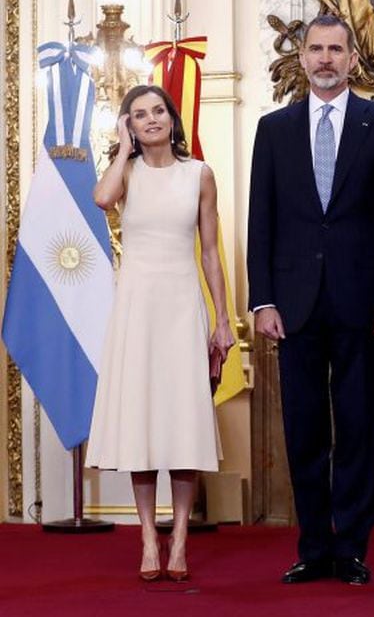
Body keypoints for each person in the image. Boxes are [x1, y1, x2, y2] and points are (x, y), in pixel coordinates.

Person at [247, 14, 374, 585]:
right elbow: (260, 223)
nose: (324, 59)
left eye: (335, 49)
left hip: (363, 303)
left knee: (360, 426)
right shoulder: (273, 128)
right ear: (303, 57)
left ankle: (353, 550)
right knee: (304, 429)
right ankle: (314, 546)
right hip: (292, 306)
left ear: (351, 58)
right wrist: (262, 299)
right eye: (315, 49)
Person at [87, 84, 234, 582]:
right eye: (139, 115)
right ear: (128, 124)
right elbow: (101, 198)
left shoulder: (200, 175)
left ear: (172, 118)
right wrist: (123, 148)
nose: (151, 120)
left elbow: (211, 253)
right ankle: (149, 537)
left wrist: (221, 319)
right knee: (143, 422)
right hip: (137, 308)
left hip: (181, 305)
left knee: (182, 424)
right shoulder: (124, 173)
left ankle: (181, 540)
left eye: (157, 111)